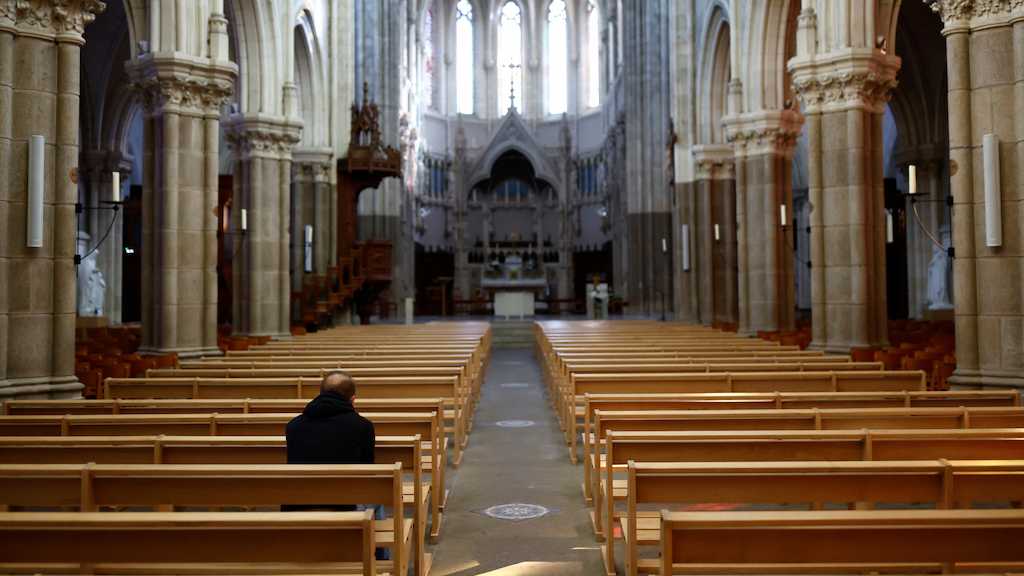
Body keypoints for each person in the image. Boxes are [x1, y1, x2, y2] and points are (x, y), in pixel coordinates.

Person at [284, 370, 375, 510]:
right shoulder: (363, 426)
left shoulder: (293, 426)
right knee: (376, 500)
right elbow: (367, 471)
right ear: (352, 400)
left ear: (320, 395)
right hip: (346, 507)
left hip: (299, 506)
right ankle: (375, 531)